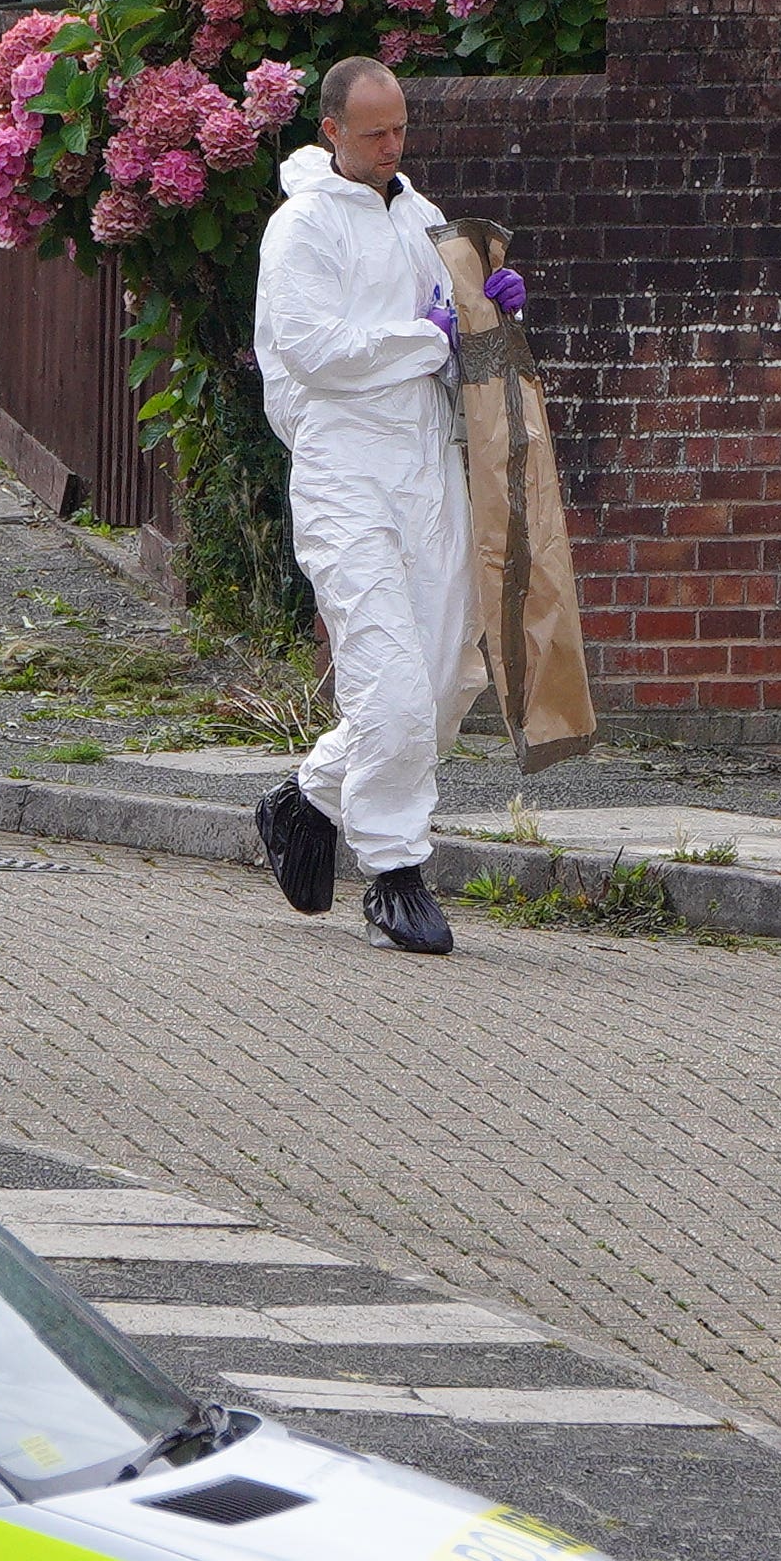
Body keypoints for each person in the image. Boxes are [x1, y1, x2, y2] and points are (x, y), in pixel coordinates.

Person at [250, 55, 474, 955]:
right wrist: (429, 336)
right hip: (345, 473)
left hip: (427, 466)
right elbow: (313, 350)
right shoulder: (301, 228)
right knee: (387, 684)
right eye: (375, 132)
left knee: (446, 681)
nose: (393, 147)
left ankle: (305, 798)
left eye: (402, 129)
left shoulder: (421, 219)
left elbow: (448, 349)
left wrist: (482, 319)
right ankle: (394, 873)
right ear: (331, 131)